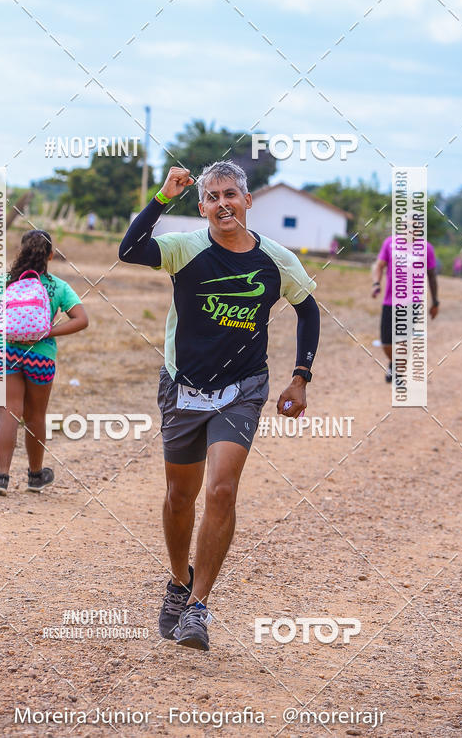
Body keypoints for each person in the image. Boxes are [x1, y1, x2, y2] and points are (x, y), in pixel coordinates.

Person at [118, 161, 320, 652]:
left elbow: (307, 308)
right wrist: (164, 197)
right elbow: (129, 250)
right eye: (212, 196)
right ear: (203, 206)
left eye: (231, 193)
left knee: (222, 490)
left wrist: (300, 376)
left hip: (243, 387)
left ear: (248, 201)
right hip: (183, 386)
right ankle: (177, 580)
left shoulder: (277, 260)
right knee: (178, 497)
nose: (222, 202)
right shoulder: (185, 248)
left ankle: (198, 608)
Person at [0, 229, 88, 496]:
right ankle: (35, 476)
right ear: (50, 255)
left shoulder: (7, 282)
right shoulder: (57, 286)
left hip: (7, 351)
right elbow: (81, 319)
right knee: (36, 416)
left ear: (22, 252)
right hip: (41, 357)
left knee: (9, 410)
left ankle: (0, 478)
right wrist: (46, 331)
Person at [371, 234, 439, 382]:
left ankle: (397, 371)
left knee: (402, 339)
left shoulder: (426, 248)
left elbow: (432, 275)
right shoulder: (389, 243)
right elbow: (379, 265)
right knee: (386, 341)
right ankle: (395, 363)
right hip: (390, 301)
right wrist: (376, 283)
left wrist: (435, 302)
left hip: (412, 302)